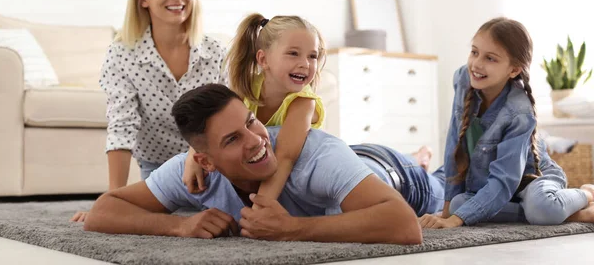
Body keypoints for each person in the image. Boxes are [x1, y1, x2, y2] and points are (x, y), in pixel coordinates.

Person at [83, 84, 448, 243]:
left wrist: (292, 229)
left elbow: (405, 226)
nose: (257, 139)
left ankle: (423, 161)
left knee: (446, 184)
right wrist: (179, 227)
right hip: (353, 166)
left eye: (249, 121)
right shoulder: (192, 171)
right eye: (232, 139)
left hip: (398, 176)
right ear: (205, 161)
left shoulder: (315, 156)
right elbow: (103, 212)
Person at [71, 0, 227, 222]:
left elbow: (227, 121)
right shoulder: (122, 55)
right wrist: (114, 202)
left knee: (238, 219)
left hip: (213, 165)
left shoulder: (216, 53)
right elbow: (121, 128)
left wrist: (195, 154)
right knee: (144, 218)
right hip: (158, 171)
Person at [419, 17, 594, 229]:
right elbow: (453, 146)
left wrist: (456, 221)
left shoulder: (519, 112)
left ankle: (586, 193)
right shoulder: (463, 79)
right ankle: (560, 214)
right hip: (492, 183)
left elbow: (504, 180)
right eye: (474, 52)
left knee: (542, 208)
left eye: (490, 58)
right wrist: (448, 213)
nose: (477, 64)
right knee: (459, 205)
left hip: (531, 180)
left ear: (513, 70)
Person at [182, 13, 325, 203]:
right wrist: (192, 156)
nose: (305, 64)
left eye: (312, 56)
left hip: (300, 173)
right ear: (263, 59)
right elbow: (211, 121)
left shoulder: (304, 102)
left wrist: (261, 207)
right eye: (293, 53)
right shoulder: (247, 86)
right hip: (260, 168)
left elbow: (285, 158)